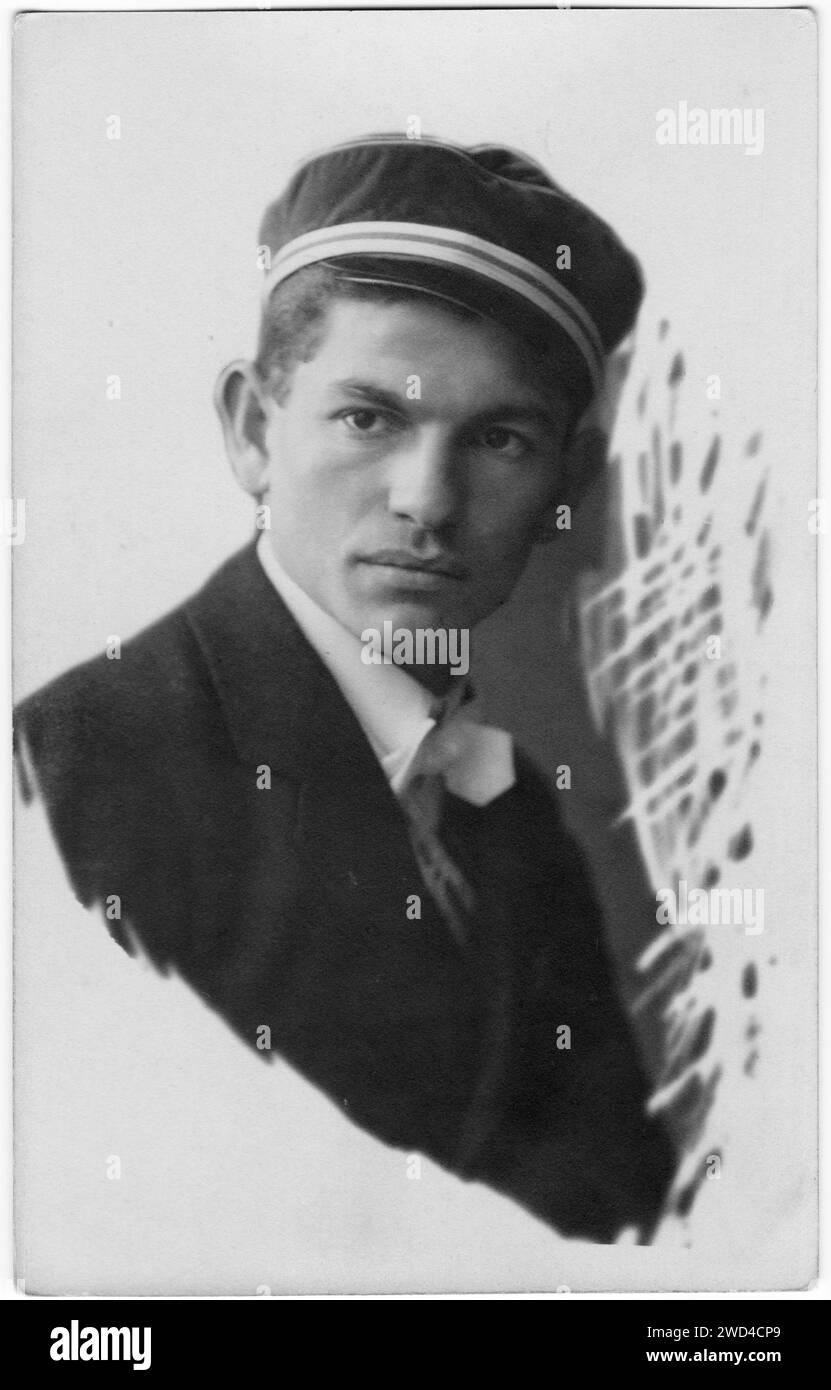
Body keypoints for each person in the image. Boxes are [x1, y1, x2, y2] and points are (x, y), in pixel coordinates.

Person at [14, 134, 675, 1242]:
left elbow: (632, 1217)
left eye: (500, 438)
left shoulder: (509, 811)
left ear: (564, 484)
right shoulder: (70, 779)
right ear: (252, 429)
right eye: (370, 417)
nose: (428, 498)